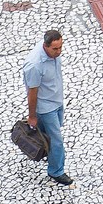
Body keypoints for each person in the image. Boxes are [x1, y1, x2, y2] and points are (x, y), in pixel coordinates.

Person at [23, 29, 73, 186]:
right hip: (46, 107)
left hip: (56, 100)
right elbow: (32, 92)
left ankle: (41, 151)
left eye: (60, 47)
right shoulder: (35, 65)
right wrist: (32, 116)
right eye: (55, 49)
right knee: (56, 140)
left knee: (45, 135)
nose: (59, 52)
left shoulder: (52, 54)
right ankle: (56, 171)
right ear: (45, 46)